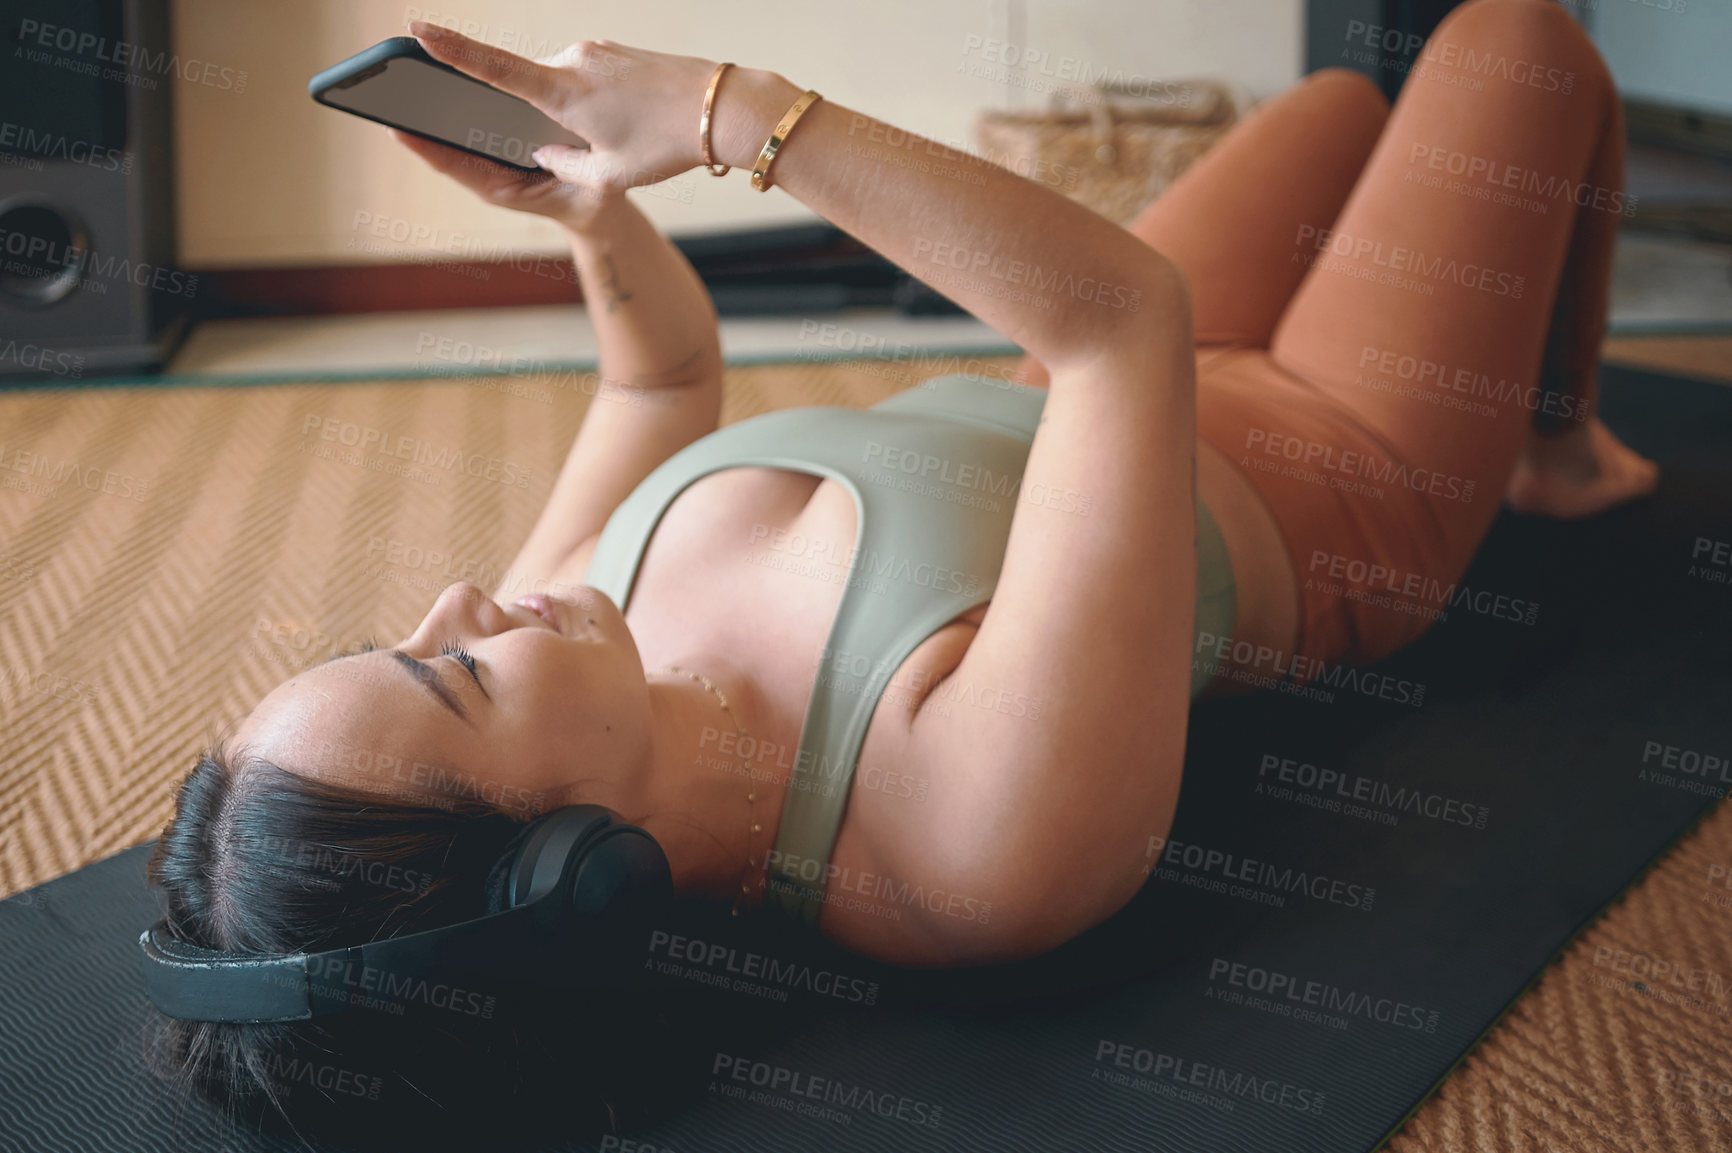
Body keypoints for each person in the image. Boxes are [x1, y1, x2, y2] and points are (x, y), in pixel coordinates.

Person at [146, 0, 1656, 1132]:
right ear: (568, 866)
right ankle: (1554, 446)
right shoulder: (958, 843)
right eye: (453, 672)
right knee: (1518, 39)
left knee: (1335, 98)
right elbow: (1118, 316)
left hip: (1102, 389)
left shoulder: (580, 632)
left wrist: (586, 213)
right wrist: (745, 118)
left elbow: (659, 389)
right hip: (1339, 464)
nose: (460, 600)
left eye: (401, 632)